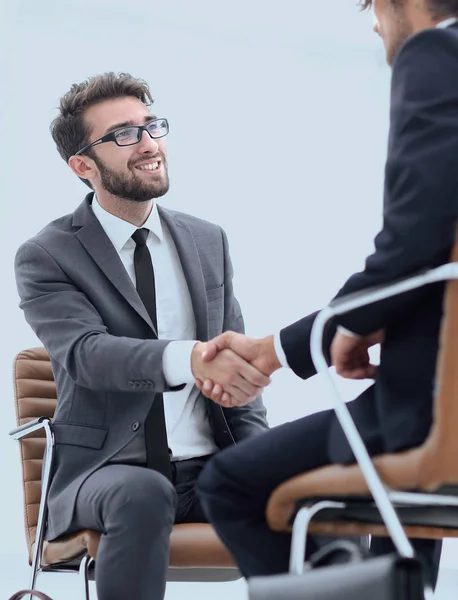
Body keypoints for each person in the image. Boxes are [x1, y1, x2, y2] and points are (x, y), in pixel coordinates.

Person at [194, 0, 458, 589]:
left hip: (438, 414)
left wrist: (283, 349)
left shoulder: (437, 52)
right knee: (397, 522)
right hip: (436, 386)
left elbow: (415, 243)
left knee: (233, 487)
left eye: (371, 5)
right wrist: (360, 323)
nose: (372, 23)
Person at [14, 72, 270, 600]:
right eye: (124, 134)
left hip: (208, 471)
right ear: (83, 166)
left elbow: (236, 366)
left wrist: (264, 458)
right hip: (105, 474)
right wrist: (193, 359)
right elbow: (88, 356)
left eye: (152, 126)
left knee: (320, 483)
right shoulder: (47, 255)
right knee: (143, 492)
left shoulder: (207, 240)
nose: (149, 143)